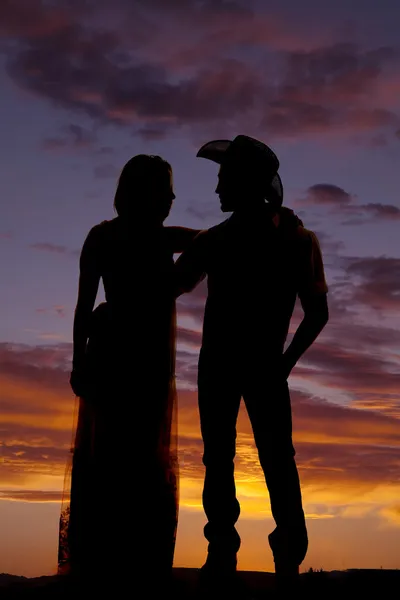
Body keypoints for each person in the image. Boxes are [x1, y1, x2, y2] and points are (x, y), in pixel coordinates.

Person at [174, 135, 329, 590]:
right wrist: (284, 363)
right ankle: (280, 559)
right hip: (256, 366)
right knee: (272, 459)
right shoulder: (295, 238)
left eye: (224, 178)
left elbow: (172, 282)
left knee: (228, 458)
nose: (218, 187)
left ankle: (225, 554)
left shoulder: (224, 240)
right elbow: (316, 313)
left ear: (245, 182)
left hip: (225, 365)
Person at [57, 154, 200, 591]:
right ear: (148, 191)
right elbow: (83, 307)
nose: (174, 196)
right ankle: (118, 570)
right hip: (123, 364)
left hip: (142, 367)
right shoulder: (112, 238)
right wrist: (79, 362)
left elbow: (218, 239)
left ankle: (129, 567)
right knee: (118, 458)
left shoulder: (159, 238)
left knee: (133, 460)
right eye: (167, 187)